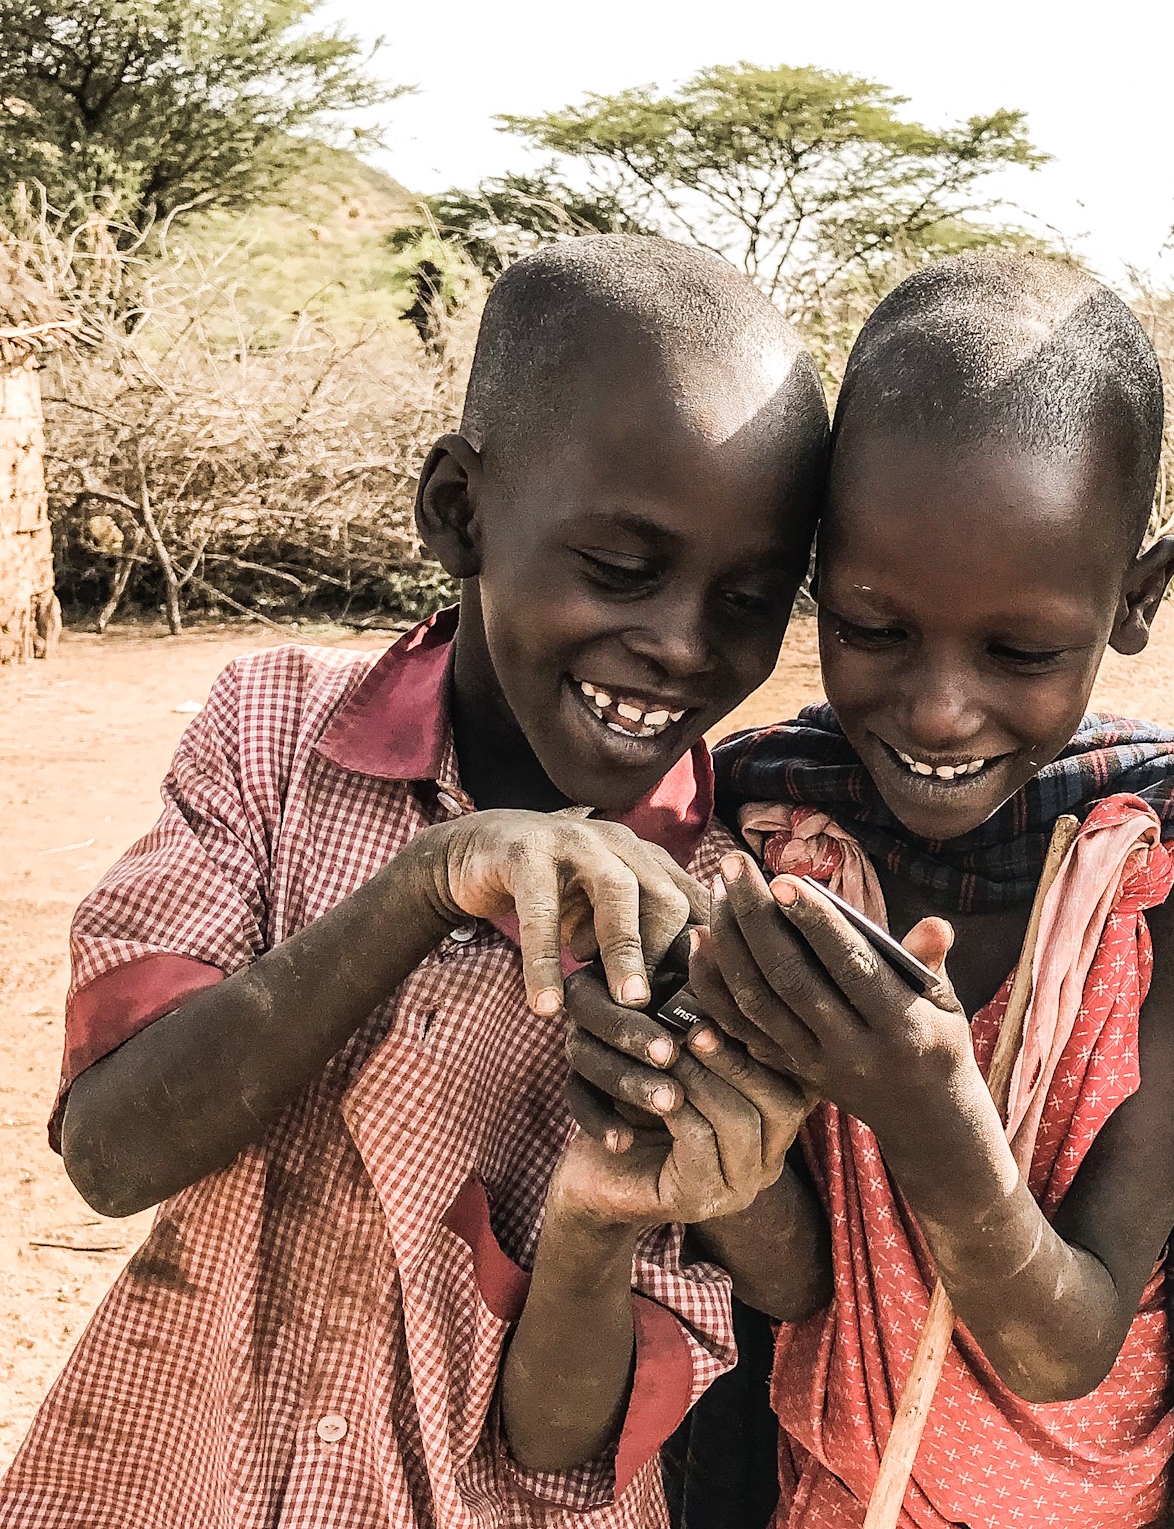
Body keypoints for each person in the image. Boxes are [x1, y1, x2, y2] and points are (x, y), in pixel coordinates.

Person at [0, 236, 834, 1529]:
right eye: (620, 567)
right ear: (458, 510)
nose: (680, 643)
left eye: (749, 598)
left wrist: (605, 1213)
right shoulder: (270, 737)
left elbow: (561, 1445)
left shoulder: (718, 915)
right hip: (170, 1483)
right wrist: (430, 881)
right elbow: (114, 1150)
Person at [545, 252, 1174, 1529]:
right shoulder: (761, 827)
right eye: (872, 628)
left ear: (1135, 599)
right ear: (817, 583)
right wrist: (696, 1120)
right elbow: (792, 1286)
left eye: (1019, 650)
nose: (939, 709)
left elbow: (1066, 1344)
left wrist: (923, 1102)